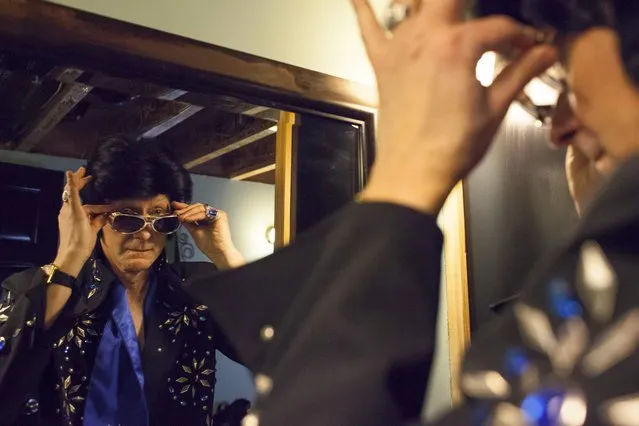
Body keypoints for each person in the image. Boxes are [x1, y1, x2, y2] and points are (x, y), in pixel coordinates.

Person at [0, 136, 247, 425]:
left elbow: (277, 350)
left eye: (159, 218)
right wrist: (69, 257)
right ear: (98, 219)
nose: (144, 234)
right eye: (127, 218)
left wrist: (226, 253)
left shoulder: (195, 286)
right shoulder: (33, 288)